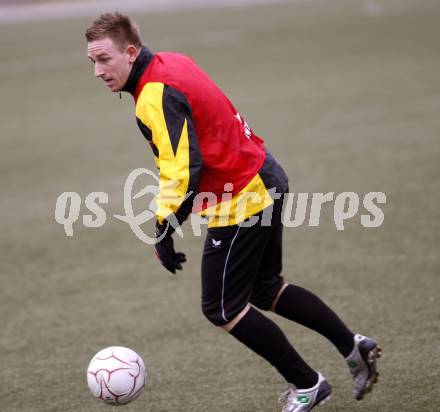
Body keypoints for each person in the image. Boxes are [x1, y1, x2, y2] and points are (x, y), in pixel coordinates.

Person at [85, 12, 381, 411]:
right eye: (93, 62)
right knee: (265, 288)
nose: (98, 71)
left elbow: (181, 170)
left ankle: (309, 385)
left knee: (222, 307)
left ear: (131, 52)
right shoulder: (171, 61)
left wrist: (163, 229)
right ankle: (353, 347)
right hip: (264, 173)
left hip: (242, 196)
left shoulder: (154, 94)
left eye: (104, 59)